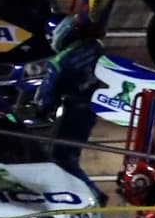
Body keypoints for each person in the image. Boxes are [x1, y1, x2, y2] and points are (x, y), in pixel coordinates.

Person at [34, 15, 104, 196]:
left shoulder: (59, 62)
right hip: (91, 109)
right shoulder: (95, 47)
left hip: (73, 112)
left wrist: (40, 111)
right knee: (70, 155)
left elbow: (46, 97)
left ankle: (92, 194)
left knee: (62, 158)